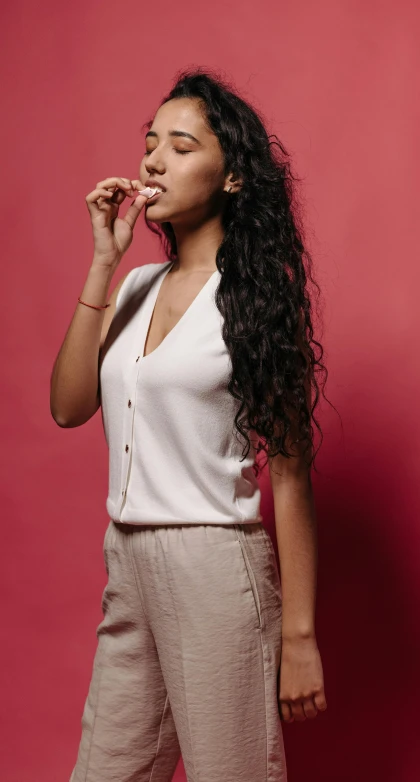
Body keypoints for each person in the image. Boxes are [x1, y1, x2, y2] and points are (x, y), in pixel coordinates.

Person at [51, 67, 330, 782]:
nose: (153, 160)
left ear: (232, 178)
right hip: (129, 561)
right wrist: (102, 266)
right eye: (150, 143)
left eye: (180, 146)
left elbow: (291, 476)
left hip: (214, 567)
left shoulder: (254, 302)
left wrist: (298, 636)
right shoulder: (137, 287)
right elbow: (67, 406)